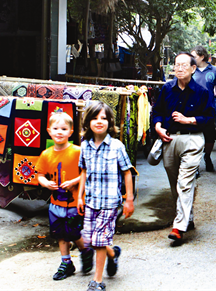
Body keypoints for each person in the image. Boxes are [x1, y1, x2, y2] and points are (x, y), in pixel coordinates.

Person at [152, 52, 215, 243]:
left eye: (183, 65)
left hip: (193, 139)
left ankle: (179, 227)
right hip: (169, 140)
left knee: (185, 182)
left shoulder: (203, 91)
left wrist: (190, 120)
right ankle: (188, 218)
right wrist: (157, 126)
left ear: (193, 69)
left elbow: (210, 118)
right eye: (176, 65)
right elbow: (157, 111)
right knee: (175, 185)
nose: (179, 68)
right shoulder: (167, 89)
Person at [77, 101, 135, 291]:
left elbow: (127, 172)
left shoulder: (117, 146)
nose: (99, 121)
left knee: (99, 241)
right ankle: (113, 253)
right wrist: (80, 196)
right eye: (94, 118)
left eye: (103, 118)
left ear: (110, 123)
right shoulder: (84, 146)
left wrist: (129, 200)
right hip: (91, 202)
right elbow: (83, 171)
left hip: (110, 203)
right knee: (90, 240)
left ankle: (97, 281)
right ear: (87, 123)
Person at [37, 112, 94, 281]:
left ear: (70, 132)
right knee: (60, 234)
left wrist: (74, 181)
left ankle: (85, 251)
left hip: (75, 202)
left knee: (75, 233)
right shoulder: (46, 154)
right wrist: (45, 183)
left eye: (63, 129)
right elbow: (40, 174)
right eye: (56, 128)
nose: (59, 132)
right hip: (56, 203)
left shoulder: (78, 151)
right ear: (49, 131)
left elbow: (87, 171)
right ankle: (66, 262)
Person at [191, 45, 216, 172]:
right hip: (192, 110)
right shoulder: (191, 70)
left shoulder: (215, 71)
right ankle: (195, 165)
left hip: (209, 109)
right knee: (194, 137)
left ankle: (208, 156)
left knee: (210, 137)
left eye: (194, 57)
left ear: (202, 56)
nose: (192, 59)